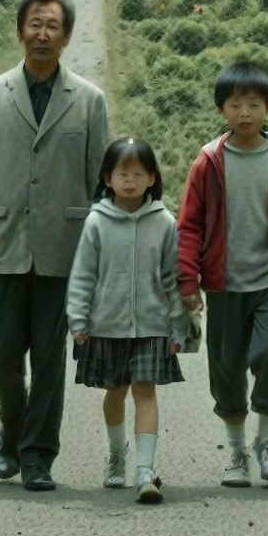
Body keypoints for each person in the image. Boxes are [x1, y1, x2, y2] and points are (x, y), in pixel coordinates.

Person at [0, 0, 111, 492]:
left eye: (53, 27)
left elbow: (99, 183)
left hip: (64, 250)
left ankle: (38, 455)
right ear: (19, 31)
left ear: (66, 37)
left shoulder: (89, 100)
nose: (43, 34)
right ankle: (12, 429)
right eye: (34, 25)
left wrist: (99, 255)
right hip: (1, 245)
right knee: (2, 351)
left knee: (48, 358)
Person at [176, 61, 268, 488]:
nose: (245, 113)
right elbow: (189, 226)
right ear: (222, 110)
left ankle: (267, 442)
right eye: (236, 105)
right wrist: (188, 281)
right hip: (223, 285)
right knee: (226, 367)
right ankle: (237, 451)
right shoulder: (209, 161)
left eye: (254, 104)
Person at [66, 137, 187, 504]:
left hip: (152, 325)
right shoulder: (96, 222)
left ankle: (145, 471)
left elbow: (173, 276)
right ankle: (117, 455)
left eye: (138, 173)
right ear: (108, 178)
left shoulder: (165, 222)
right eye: (122, 173)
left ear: (152, 177)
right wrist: (78, 319)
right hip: (107, 324)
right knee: (115, 392)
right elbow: (83, 274)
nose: (130, 180)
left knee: (145, 390)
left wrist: (179, 324)